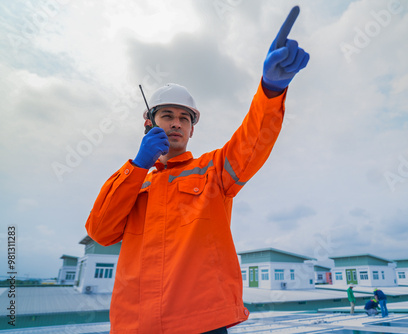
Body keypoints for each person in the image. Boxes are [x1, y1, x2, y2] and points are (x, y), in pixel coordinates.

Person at [85, 6, 309, 334]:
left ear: (192, 129)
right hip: (134, 325)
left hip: (202, 324)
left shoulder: (212, 171)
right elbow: (101, 232)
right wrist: (137, 166)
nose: (177, 123)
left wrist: (270, 90)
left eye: (184, 118)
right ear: (149, 124)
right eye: (168, 116)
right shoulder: (133, 182)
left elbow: (253, 141)